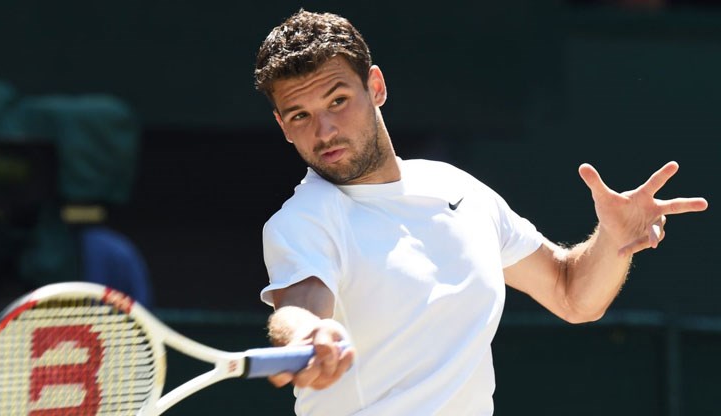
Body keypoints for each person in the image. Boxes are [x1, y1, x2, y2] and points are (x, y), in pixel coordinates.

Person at [253, 9, 708, 416]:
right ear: (282, 126)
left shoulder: (456, 188)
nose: (324, 131)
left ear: (375, 87)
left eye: (337, 101)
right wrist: (307, 337)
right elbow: (300, 310)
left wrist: (612, 241)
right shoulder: (303, 222)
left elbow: (572, 295)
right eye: (300, 116)